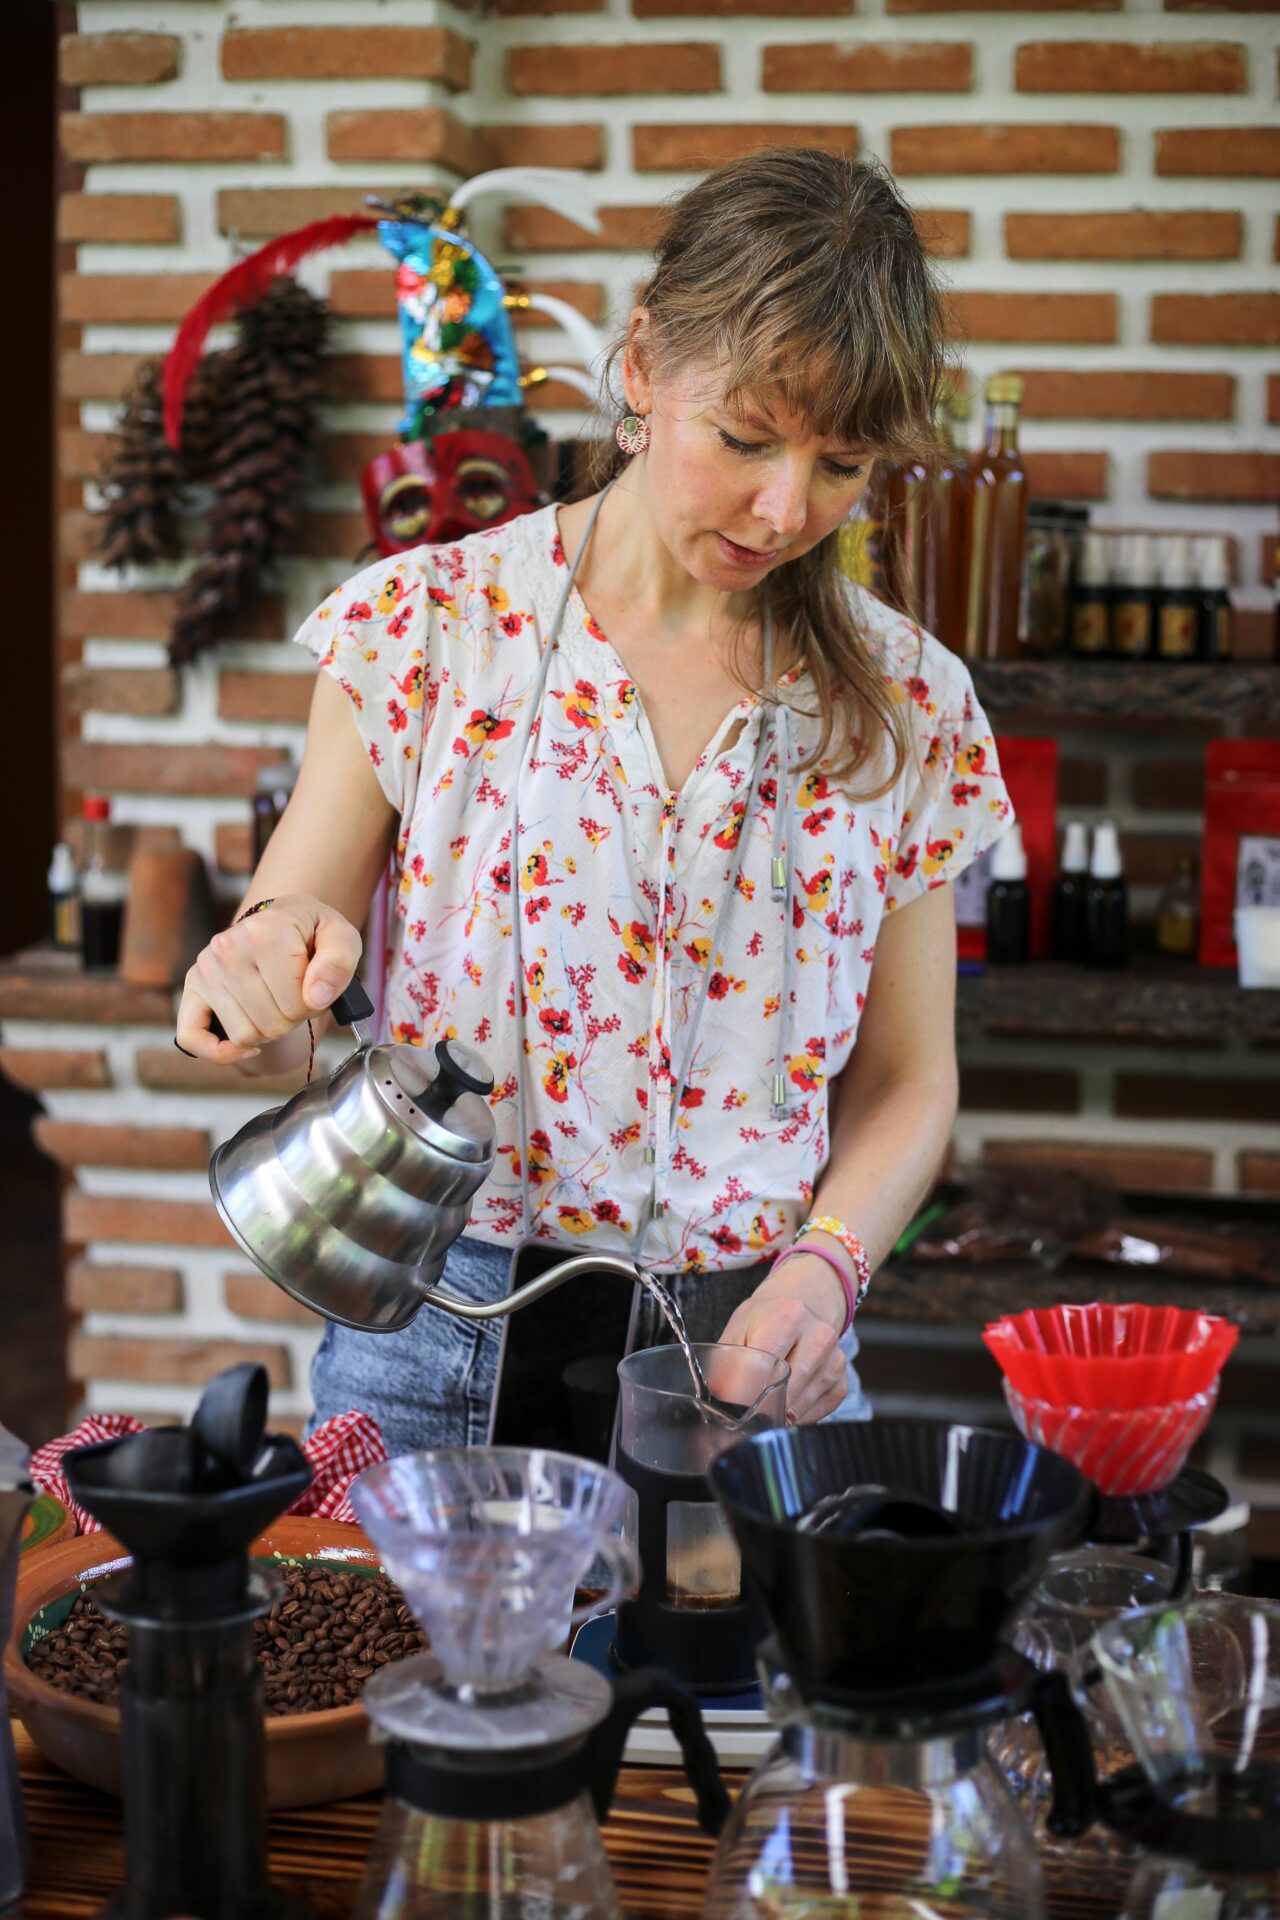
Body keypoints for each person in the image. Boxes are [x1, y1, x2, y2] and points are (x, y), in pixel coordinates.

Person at [177, 149, 1013, 1455]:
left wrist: (825, 1273)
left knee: (737, 1669)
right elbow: (296, 907)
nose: (786, 508)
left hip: (746, 1348)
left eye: (841, 466)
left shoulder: (910, 703)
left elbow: (911, 1077)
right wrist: (265, 954)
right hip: (438, 1330)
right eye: (743, 438)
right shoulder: (428, 629)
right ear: (640, 367)